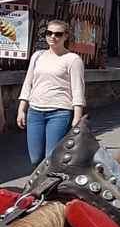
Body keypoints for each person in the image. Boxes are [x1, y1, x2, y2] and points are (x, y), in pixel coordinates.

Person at [17, 20, 86, 165]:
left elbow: (78, 90)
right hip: (35, 112)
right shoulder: (37, 56)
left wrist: (77, 118)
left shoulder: (73, 60)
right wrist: (22, 109)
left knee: (52, 158)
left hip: (59, 113)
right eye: (49, 33)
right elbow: (28, 83)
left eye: (58, 34)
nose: (52, 37)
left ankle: (52, 187)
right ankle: (42, 186)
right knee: (35, 158)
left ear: (66, 36)